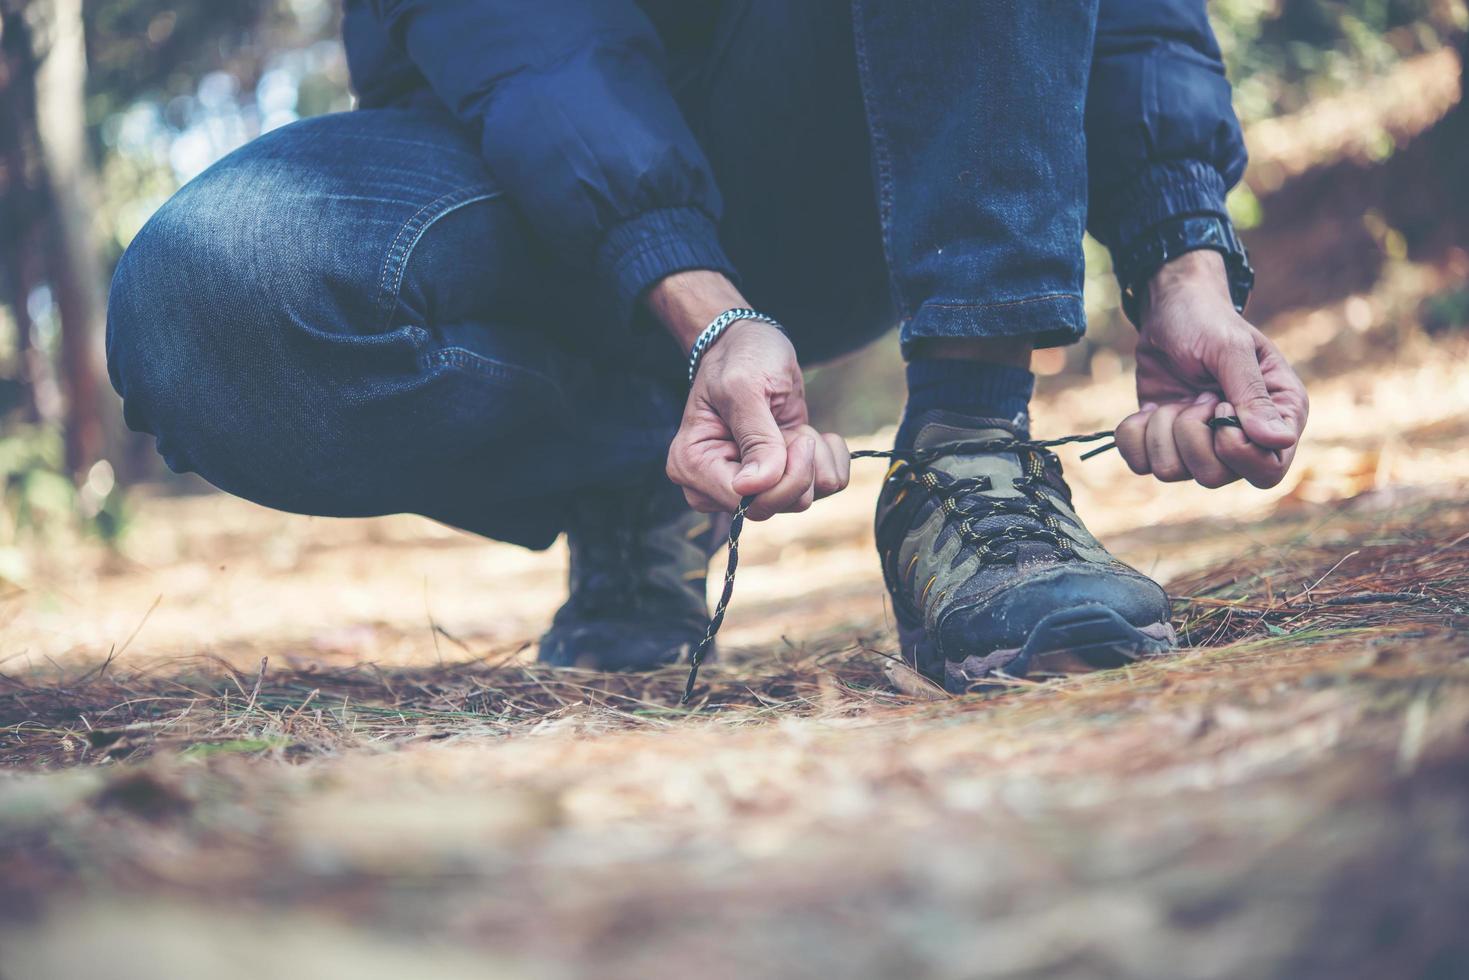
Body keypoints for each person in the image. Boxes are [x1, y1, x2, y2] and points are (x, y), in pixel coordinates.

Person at [106, 1, 1308, 692]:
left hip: (864, 140)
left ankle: (968, 449)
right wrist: (698, 302)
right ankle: (649, 466)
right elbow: (520, 31)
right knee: (202, 293)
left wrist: (1179, 257)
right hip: (525, 149)